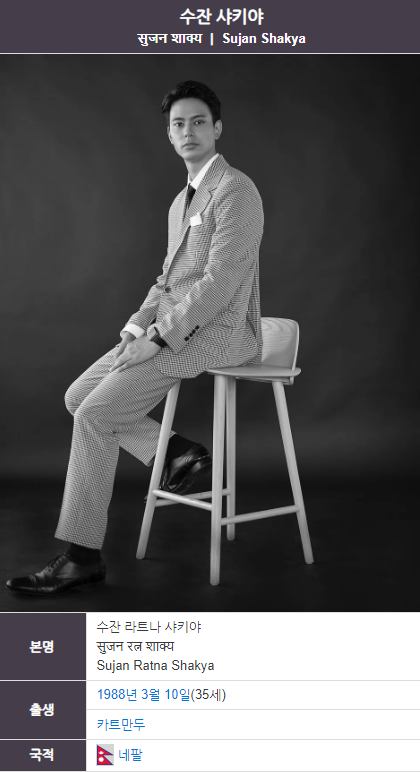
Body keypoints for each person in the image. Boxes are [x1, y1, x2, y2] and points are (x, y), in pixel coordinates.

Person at [6, 80, 263, 595]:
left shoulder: (237, 191)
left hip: (220, 330)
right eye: (178, 124)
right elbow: (165, 282)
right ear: (169, 135)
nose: (188, 131)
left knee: (96, 415)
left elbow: (219, 283)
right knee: (78, 396)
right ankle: (176, 451)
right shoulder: (179, 204)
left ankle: (81, 558)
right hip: (170, 327)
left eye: (198, 122)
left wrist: (159, 338)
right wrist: (134, 330)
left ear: (217, 128)